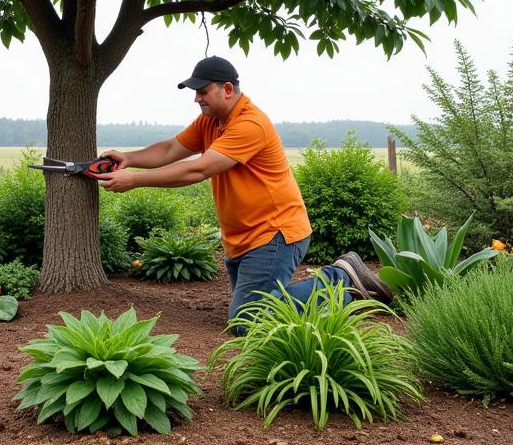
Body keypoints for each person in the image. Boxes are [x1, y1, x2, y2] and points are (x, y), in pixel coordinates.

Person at [96, 55, 392, 331]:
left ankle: (340, 278)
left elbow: (198, 170)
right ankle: (326, 298)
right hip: (244, 239)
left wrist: (134, 180)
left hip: (274, 234)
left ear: (227, 89)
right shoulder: (211, 121)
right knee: (264, 305)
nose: (196, 98)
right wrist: (129, 158)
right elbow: (172, 149)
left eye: (202, 91)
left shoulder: (249, 124)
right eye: (195, 92)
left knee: (246, 320)